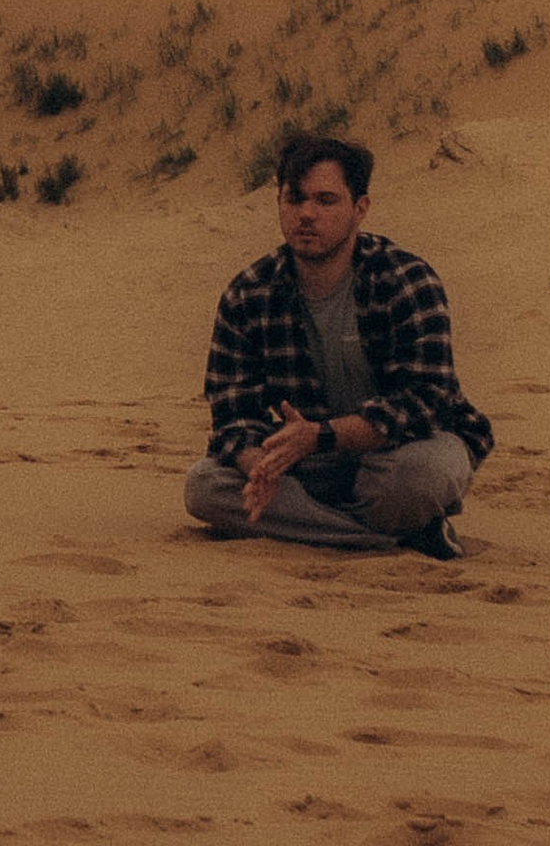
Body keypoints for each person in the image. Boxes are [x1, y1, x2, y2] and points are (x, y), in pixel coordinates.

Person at [182, 128, 493, 558]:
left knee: (417, 478)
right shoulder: (249, 293)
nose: (307, 214)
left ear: (359, 207)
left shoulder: (406, 279)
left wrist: (322, 435)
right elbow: (233, 413)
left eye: (325, 200)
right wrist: (261, 468)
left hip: (400, 450)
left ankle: (324, 523)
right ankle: (390, 539)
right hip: (309, 461)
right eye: (295, 199)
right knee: (205, 487)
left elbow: (426, 402)